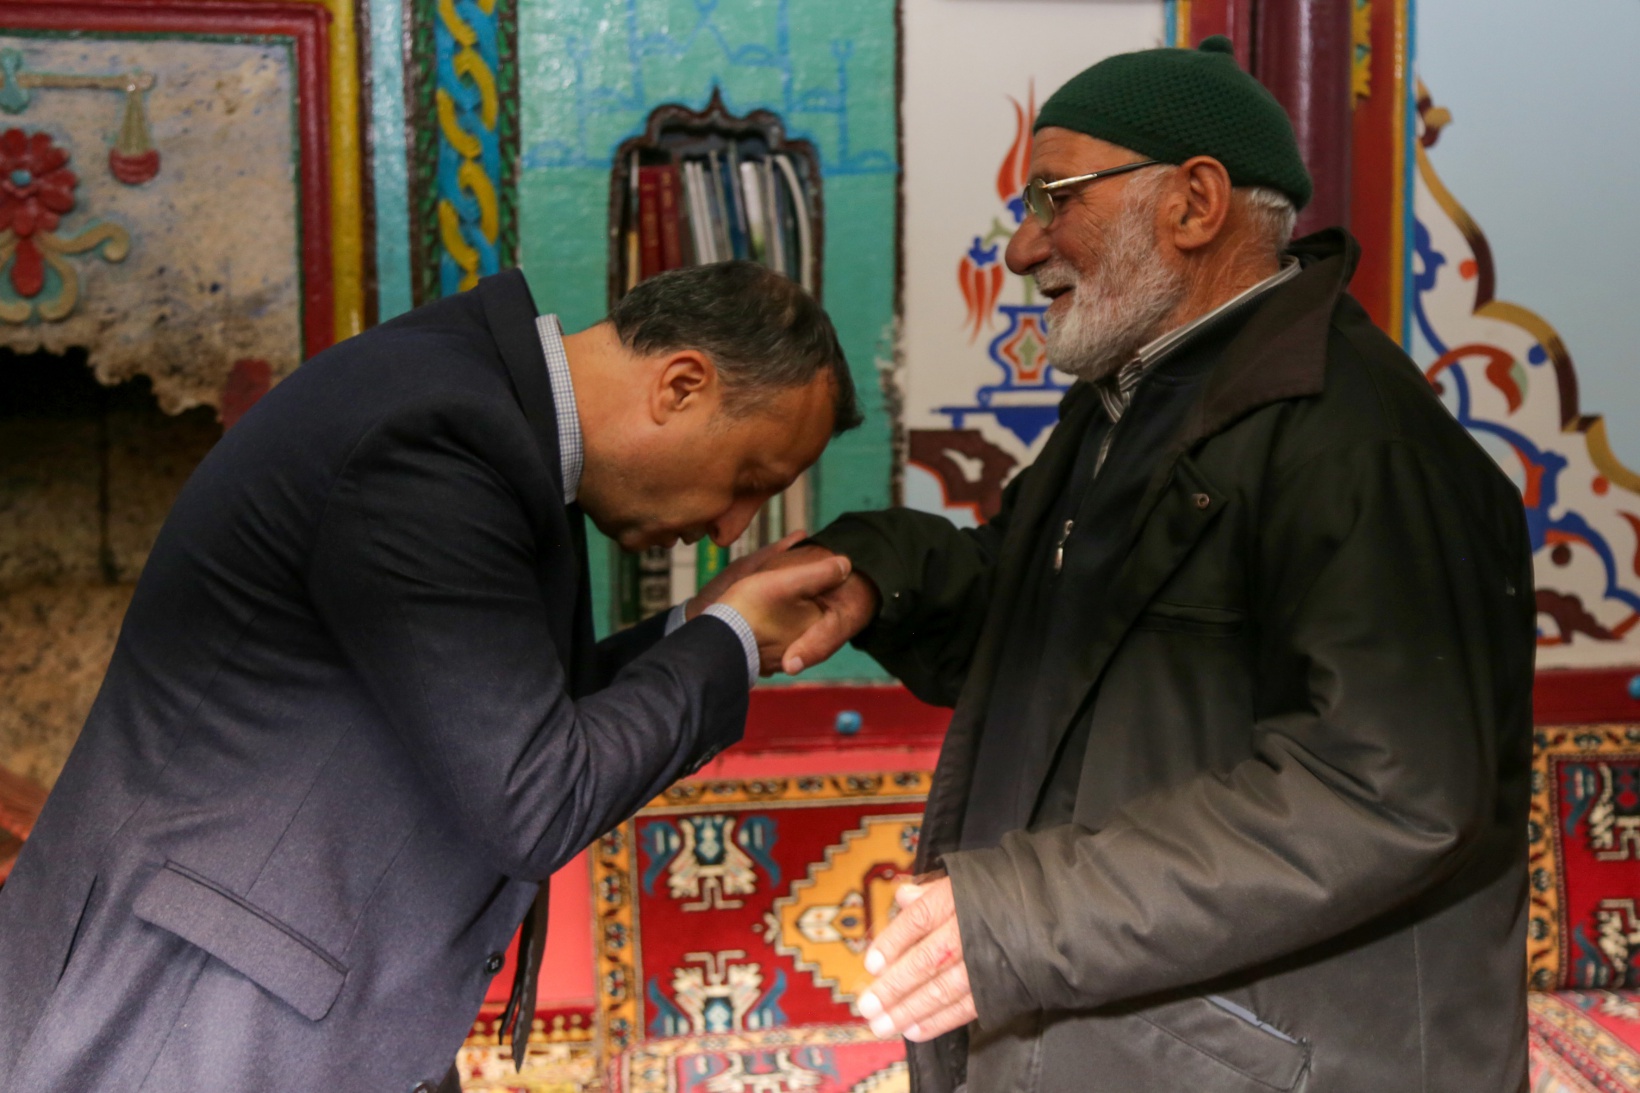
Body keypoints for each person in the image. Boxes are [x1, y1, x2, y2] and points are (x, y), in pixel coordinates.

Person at [748, 37, 1535, 1091]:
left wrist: (1017, 916)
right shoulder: (1135, 404)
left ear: (1193, 204)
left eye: (1052, 200)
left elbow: (1382, 792)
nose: (1021, 250)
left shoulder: (1356, 448)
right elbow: (1055, 630)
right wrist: (875, 571)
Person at [0, 260, 860, 1092]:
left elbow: (509, 722)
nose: (730, 525)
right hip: (186, 1019)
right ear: (680, 384)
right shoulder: (436, 443)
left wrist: (704, 629)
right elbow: (537, 796)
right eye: (747, 479)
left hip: (263, 1009)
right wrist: (730, 640)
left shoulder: (471, 412)